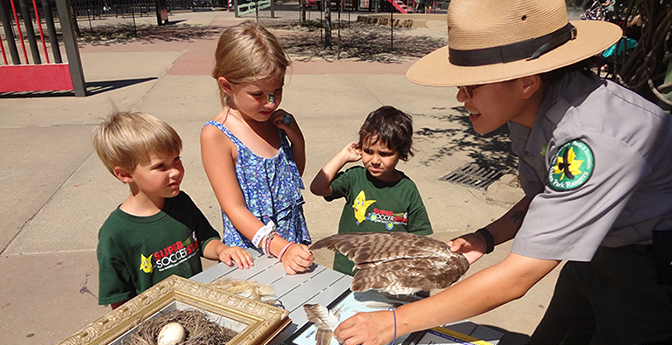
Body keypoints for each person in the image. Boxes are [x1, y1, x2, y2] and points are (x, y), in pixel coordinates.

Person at [333, 0, 672, 345]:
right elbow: (548, 195)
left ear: (525, 79)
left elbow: (519, 278)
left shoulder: (593, 138)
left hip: (667, 268)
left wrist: (396, 321)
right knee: (554, 344)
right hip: (605, 241)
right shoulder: (528, 109)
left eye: (472, 85)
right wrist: (488, 235)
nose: (461, 97)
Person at [95, 111, 253, 310]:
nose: (176, 171)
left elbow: (204, 241)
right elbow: (119, 297)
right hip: (155, 323)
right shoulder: (115, 233)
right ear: (125, 174)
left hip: (196, 308)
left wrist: (222, 250)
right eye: (161, 166)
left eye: (176, 159)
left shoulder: (180, 201)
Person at [201, 22, 313, 275]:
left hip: (290, 244)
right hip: (253, 255)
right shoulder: (217, 135)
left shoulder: (274, 122)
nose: (271, 103)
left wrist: (297, 140)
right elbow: (235, 208)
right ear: (227, 86)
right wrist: (281, 248)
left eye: (277, 91)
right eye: (258, 94)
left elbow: (291, 180)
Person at [309, 105, 433, 275]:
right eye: (368, 151)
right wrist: (343, 157)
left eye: (385, 154)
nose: (375, 160)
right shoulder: (355, 178)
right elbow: (317, 187)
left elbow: (421, 236)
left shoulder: (407, 189)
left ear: (402, 152)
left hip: (389, 275)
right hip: (348, 271)